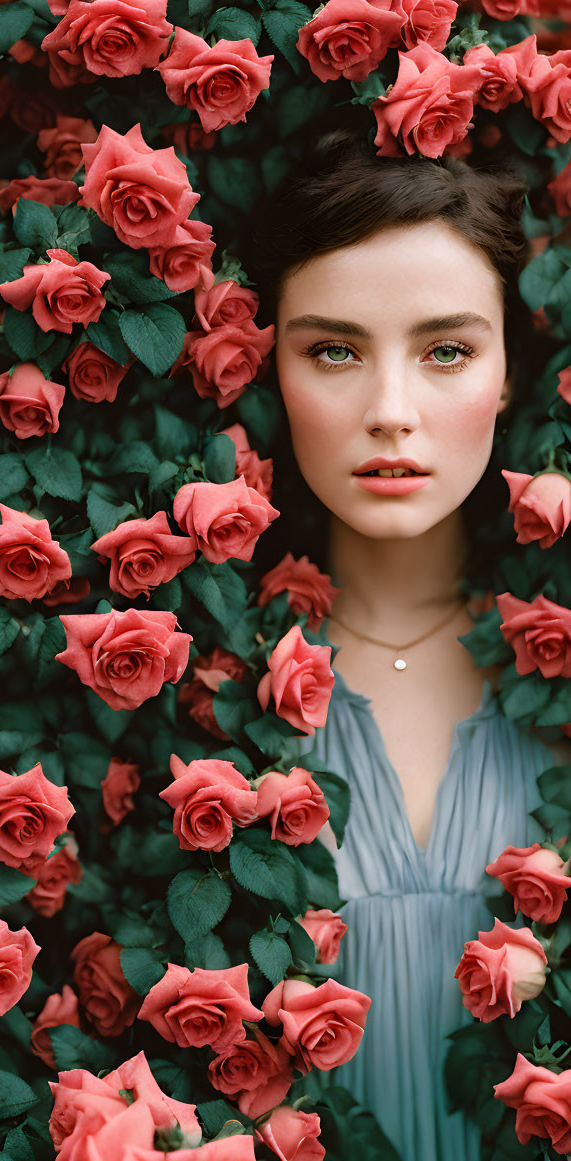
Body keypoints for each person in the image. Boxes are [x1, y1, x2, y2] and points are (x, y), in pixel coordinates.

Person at [248, 130, 571, 1161]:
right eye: (334, 350)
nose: (391, 414)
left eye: (447, 351)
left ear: (511, 374)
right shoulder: (207, 687)